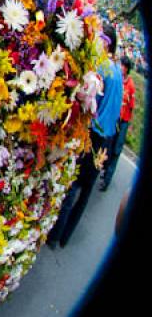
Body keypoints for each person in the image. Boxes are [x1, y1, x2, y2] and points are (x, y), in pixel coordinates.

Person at [48, 23, 123, 249]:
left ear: (105, 43)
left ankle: (55, 234)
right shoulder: (118, 71)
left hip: (93, 133)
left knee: (74, 182)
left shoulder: (102, 68)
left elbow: (90, 102)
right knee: (86, 190)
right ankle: (65, 237)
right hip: (106, 138)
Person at [100, 56, 136, 191]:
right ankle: (101, 166)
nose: (121, 68)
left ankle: (107, 179)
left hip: (123, 121)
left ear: (127, 69)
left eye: (124, 66)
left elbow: (131, 106)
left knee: (116, 150)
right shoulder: (117, 79)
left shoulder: (130, 86)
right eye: (121, 65)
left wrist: (127, 124)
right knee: (106, 143)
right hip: (114, 117)